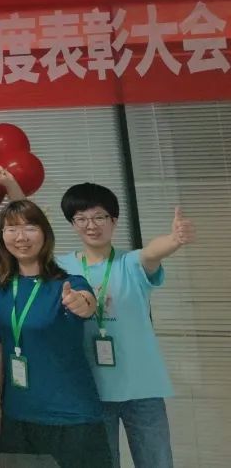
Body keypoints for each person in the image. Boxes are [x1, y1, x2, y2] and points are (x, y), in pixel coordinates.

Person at [58, 183, 194, 468]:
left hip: (141, 387)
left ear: (114, 220)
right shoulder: (62, 267)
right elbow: (30, 232)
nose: (91, 225)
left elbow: (151, 253)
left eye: (99, 217)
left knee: (156, 461)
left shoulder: (129, 262)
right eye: (81, 219)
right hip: (91, 388)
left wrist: (173, 240)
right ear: (72, 223)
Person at [0, 199, 110, 468]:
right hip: (18, 416)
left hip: (71, 417)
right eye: (11, 229)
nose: (21, 237)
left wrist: (82, 303)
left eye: (30, 228)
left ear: (45, 234)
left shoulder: (68, 283)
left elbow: (86, 302)